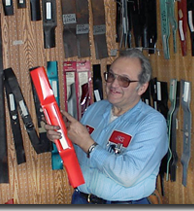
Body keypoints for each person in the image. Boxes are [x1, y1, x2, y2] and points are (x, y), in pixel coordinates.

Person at [45, 49, 168, 204]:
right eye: (111, 76)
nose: (113, 84)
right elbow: (78, 156)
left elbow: (128, 176)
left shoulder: (152, 123)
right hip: (82, 199)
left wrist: (88, 145)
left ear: (142, 88)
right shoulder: (95, 109)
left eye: (124, 80)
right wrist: (61, 136)